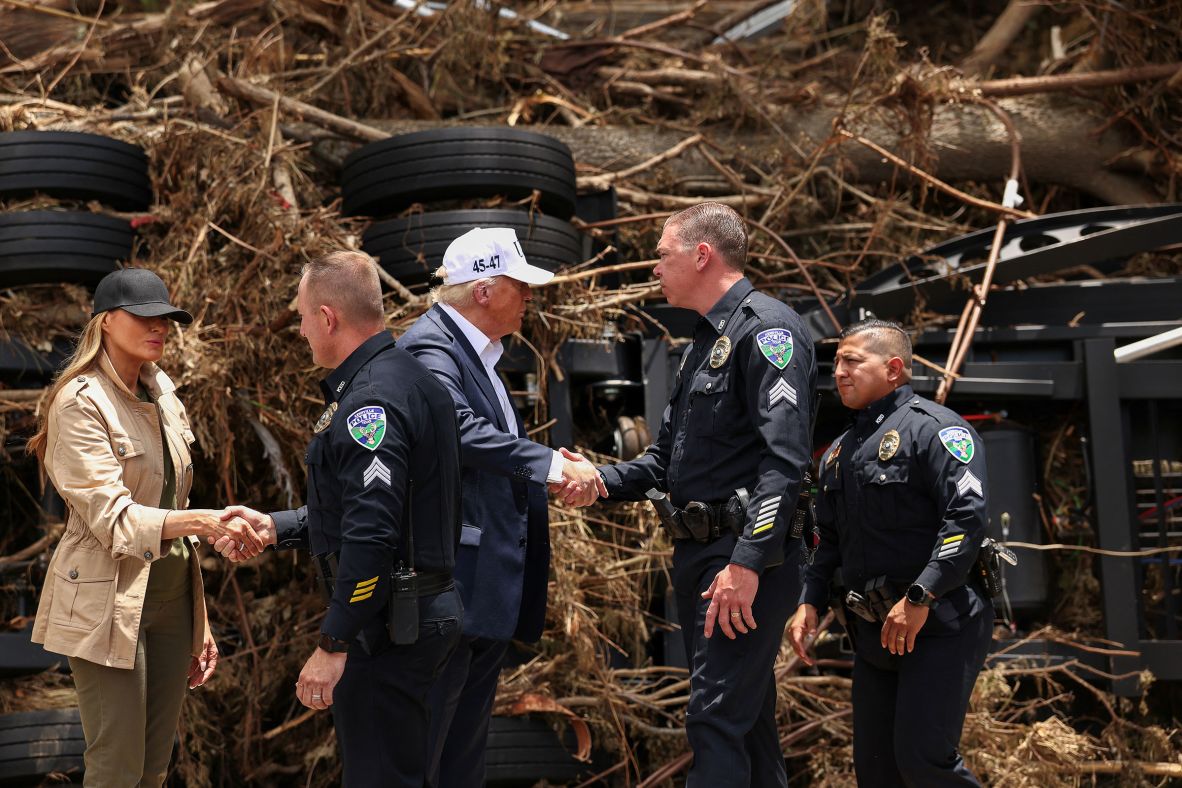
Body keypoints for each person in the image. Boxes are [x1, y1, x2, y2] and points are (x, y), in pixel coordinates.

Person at [584, 202, 817, 786]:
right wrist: (597, 480)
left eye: (662, 255)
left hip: (743, 558)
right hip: (701, 556)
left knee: (714, 719)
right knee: (747, 722)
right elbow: (664, 460)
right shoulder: (701, 345)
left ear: (702, 254)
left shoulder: (768, 332)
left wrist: (747, 563)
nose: (654, 268)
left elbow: (784, 462)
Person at [214, 251, 464, 788]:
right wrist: (277, 526)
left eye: (303, 316)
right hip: (420, 615)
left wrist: (334, 642)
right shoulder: (412, 380)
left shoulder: (368, 403)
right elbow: (366, 509)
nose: (301, 329)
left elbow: (372, 534)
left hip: (391, 631)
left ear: (328, 317)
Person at [26, 268, 264, 788]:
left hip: (173, 597)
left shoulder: (163, 393)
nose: (160, 327)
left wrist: (197, 620)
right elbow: (113, 519)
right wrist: (202, 520)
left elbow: (170, 500)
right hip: (105, 600)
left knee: (154, 766)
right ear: (106, 321)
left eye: (167, 318)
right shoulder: (79, 401)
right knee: (116, 768)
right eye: (144, 316)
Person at [398, 226, 607, 787]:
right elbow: (458, 431)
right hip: (451, 588)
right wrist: (555, 467)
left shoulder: (473, 350)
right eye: (522, 286)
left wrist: (544, 463)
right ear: (484, 290)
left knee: (461, 756)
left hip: (480, 588)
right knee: (428, 754)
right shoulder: (429, 348)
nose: (531, 297)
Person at [788, 319, 993, 787]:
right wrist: (809, 602)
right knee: (878, 771)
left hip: (941, 622)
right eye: (836, 361)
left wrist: (921, 597)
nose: (838, 371)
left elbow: (966, 519)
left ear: (894, 368)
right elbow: (829, 541)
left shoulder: (937, 431)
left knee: (925, 761)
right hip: (875, 632)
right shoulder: (839, 453)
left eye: (852, 361)